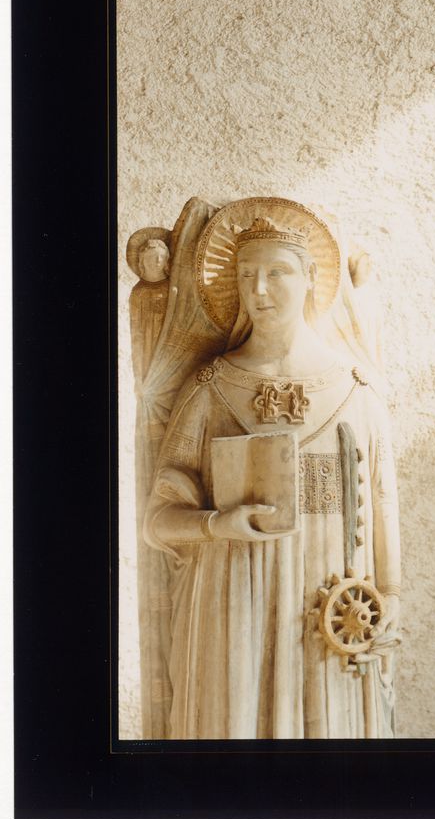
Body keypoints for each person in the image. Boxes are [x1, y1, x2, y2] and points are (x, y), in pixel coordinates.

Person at [143, 201, 401, 738]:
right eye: (246, 275)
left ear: (311, 279)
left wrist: (391, 597)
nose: (258, 290)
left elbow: (381, 499)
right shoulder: (211, 390)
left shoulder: (354, 390)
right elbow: (159, 519)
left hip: (330, 606)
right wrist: (220, 525)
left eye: (276, 273)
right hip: (229, 602)